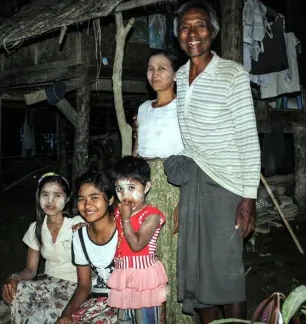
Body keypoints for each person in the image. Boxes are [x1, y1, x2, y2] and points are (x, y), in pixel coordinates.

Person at [165, 1, 261, 323]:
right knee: (195, 268)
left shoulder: (232, 74)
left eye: (200, 26)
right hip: (194, 182)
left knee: (225, 272)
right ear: (177, 34)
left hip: (226, 185)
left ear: (213, 32)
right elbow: (187, 137)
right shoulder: (179, 76)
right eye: (185, 27)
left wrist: (248, 198)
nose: (192, 34)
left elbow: (248, 138)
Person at [132, 49, 190, 323]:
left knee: (172, 250)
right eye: (150, 68)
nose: (154, 74)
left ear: (176, 75)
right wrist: (131, 189)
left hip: (174, 184)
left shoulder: (185, 108)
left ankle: (178, 316)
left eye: (162, 68)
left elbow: (192, 155)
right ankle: (150, 315)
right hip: (146, 185)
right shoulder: (143, 109)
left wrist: (184, 200)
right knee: (147, 252)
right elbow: (137, 152)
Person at [1, 172, 84, 324]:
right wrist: (13, 278)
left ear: (67, 199)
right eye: (45, 194)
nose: (50, 200)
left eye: (57, 195)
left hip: (76, 287)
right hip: (50, 283)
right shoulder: (36, 228)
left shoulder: (78, 224)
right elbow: (31, 271)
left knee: (45, 312)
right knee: (18, 292)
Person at [107, 156, 168, 323]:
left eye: (132, 188)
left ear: (147, 187)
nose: (125, 195)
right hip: (124, 276)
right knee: (124, 320)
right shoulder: (120, 212)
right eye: (119, 189)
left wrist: (125, 219)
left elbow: (137, 244)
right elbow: (109, 228)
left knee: (146, 319)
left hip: (144, 278)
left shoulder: (152, 215)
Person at [56, 171, 118, 324]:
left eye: (94, 198)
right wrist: (66, 314)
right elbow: (84, 285)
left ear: (110, 199)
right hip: (98, 299)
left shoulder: (124, 231)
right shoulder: (80, 236)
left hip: (125, 301)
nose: (87, 205)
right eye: (81, 199)